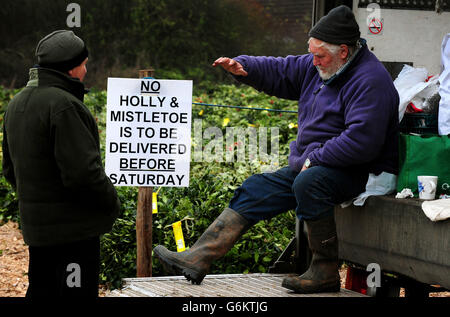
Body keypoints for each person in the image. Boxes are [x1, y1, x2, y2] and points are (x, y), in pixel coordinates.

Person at [154, 5, 399, 294]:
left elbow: (361, 142)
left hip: (361, 170)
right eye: (312, 53)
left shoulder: (371, 81)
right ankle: (198, 258)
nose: (313, 61)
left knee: (310, 181)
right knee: (257, 187)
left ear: (343, 52)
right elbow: (282, 69)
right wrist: (245, 67)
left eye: (319, 56)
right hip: (316, 163)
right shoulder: (321, 64)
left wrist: (313, 158)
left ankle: (325, 270)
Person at [2, 30, 120, 298]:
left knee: (42, 291)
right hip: (73, 234)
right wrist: (111, 203)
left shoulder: (16, 103)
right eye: (84, 63)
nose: (86, 70)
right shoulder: (65, 106)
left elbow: (9, 170)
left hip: (37, 230)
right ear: (72, 68)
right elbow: (84, 175)